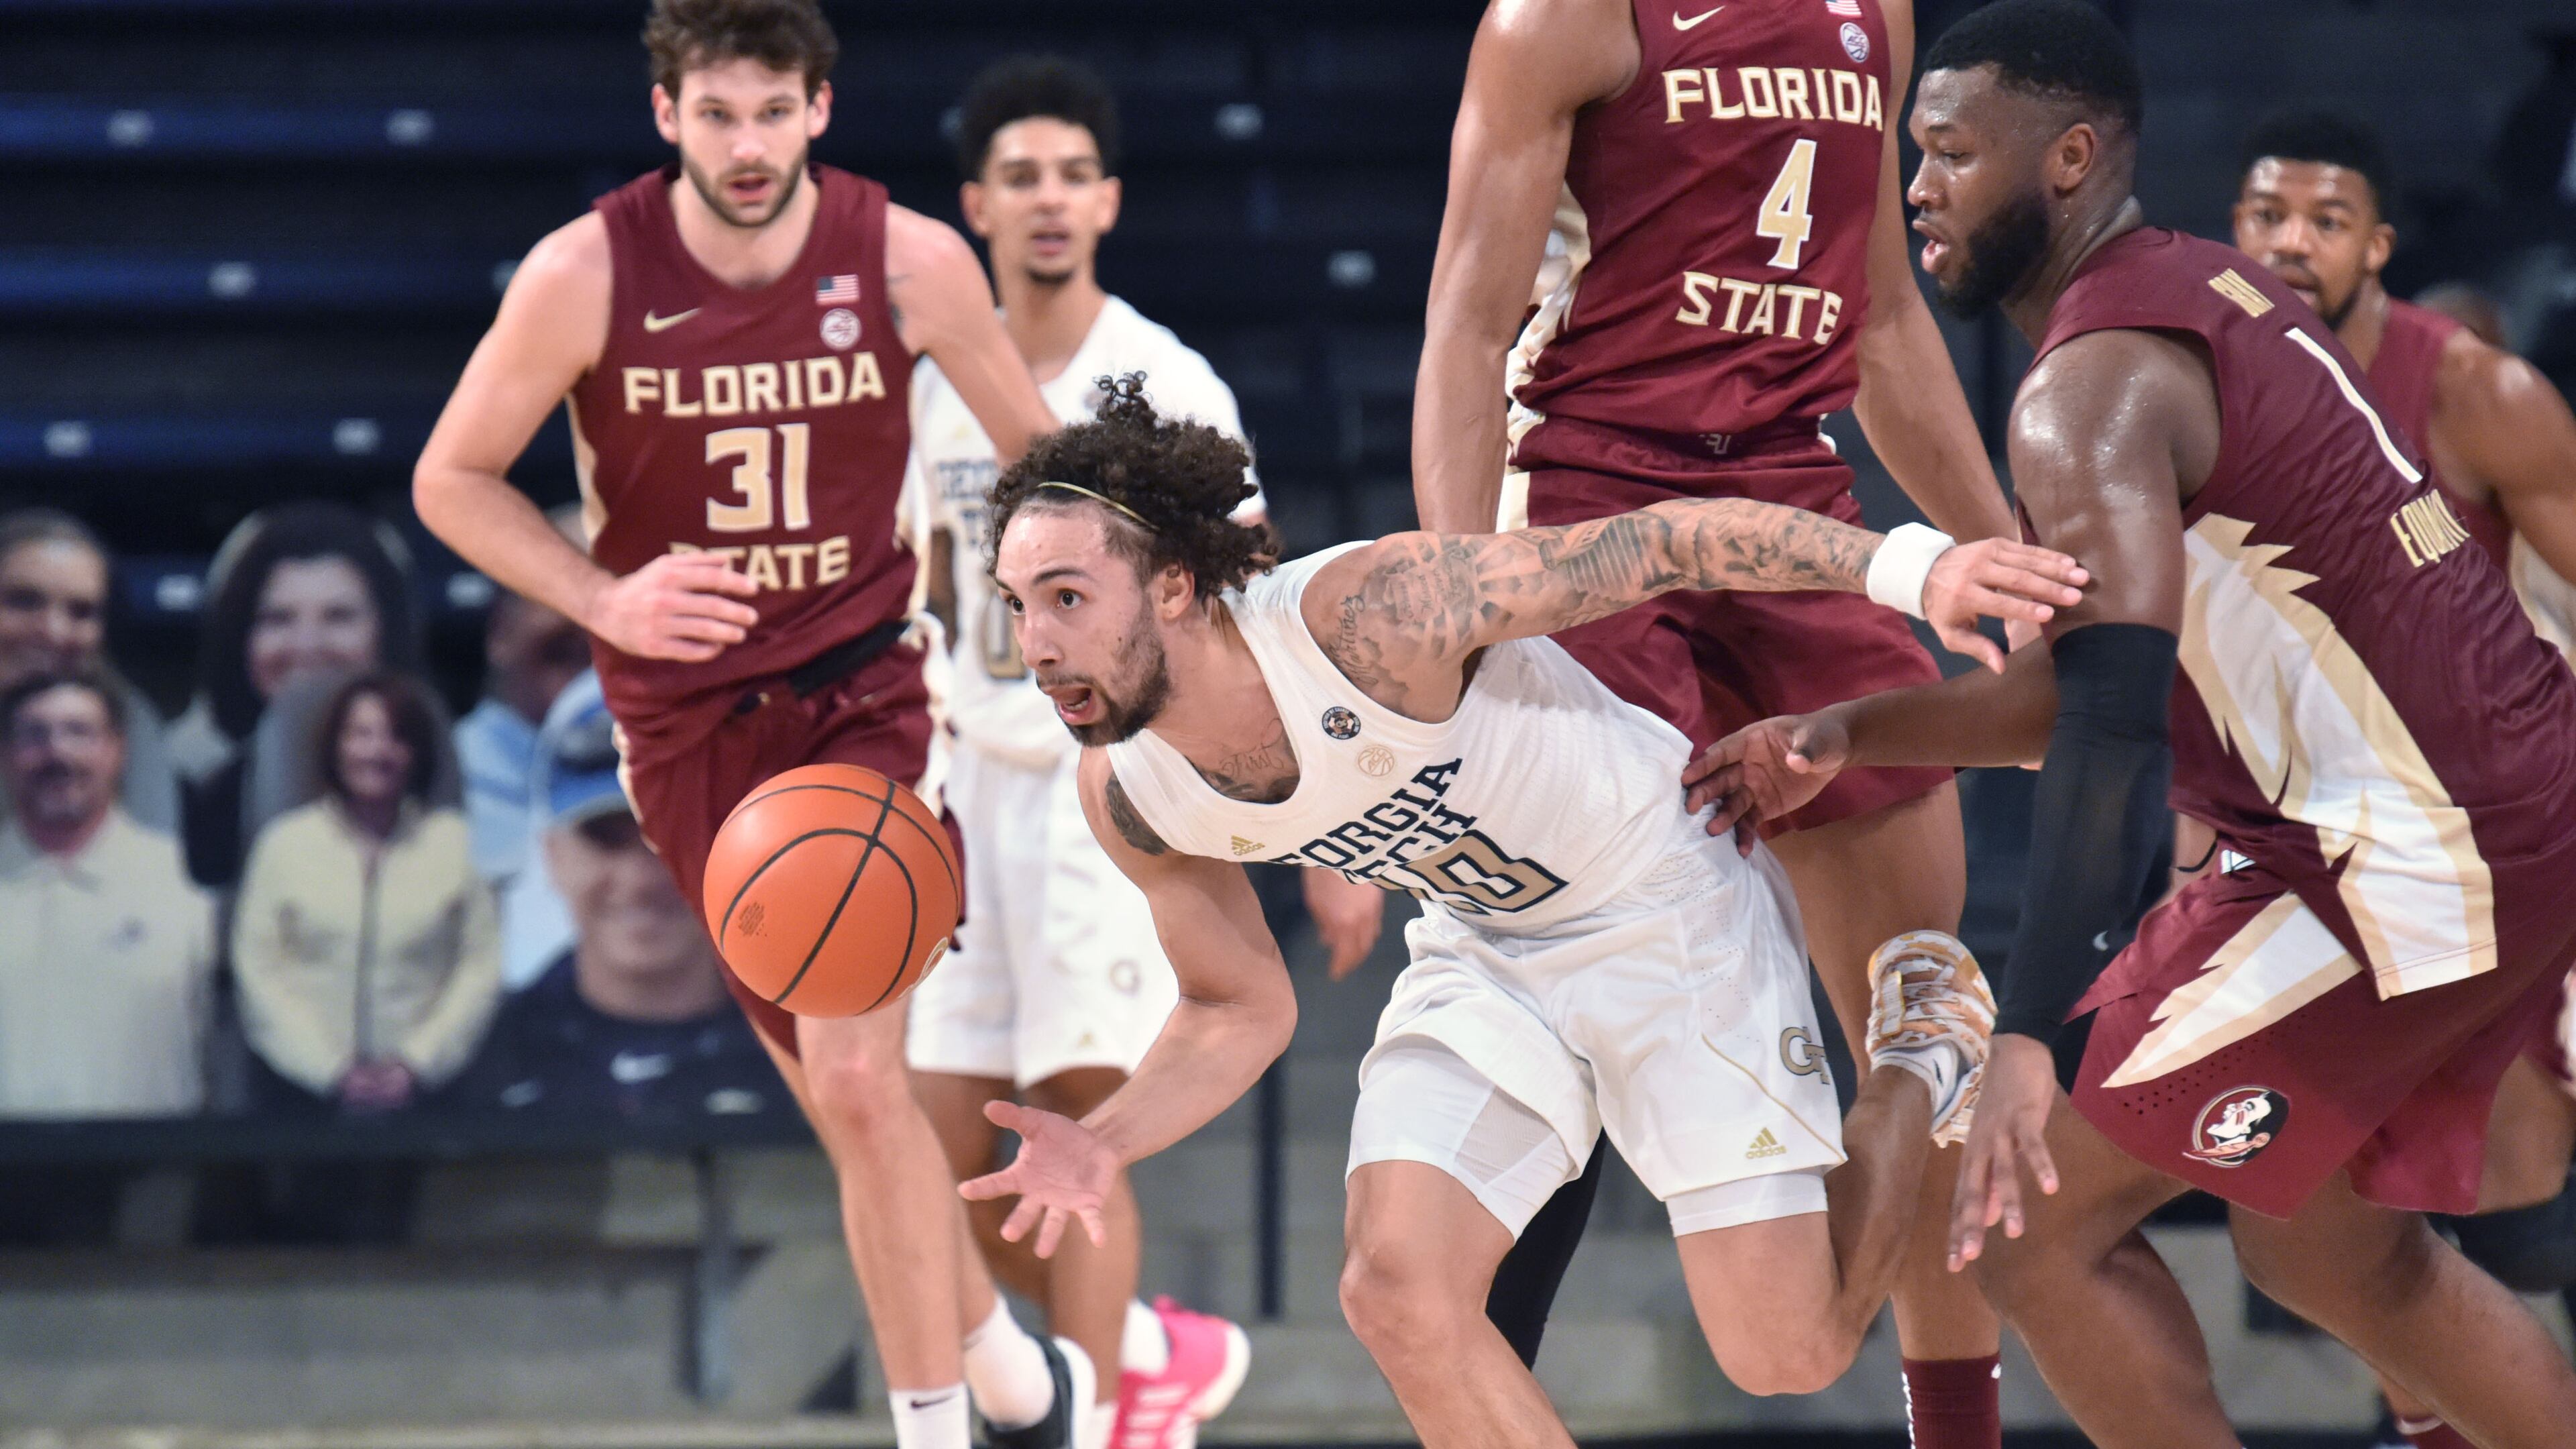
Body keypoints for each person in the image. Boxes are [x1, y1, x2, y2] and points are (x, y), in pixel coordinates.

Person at [1685, 5, 2576, 1445]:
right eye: (1915, 153)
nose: (1917, 189)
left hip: (2416, 849)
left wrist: (2031, 1033)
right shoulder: (2210, 290)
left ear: (2072, 158)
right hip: (2474, 806)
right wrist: (1854, 729)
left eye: (1956, 153)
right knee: (2324, 1245)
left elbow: (2109, 732)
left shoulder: (2088, 393)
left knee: (2022, 1213)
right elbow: (2102, 678)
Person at [953, 378, 2088, 1445]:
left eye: (1065, 599)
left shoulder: (1369, 618)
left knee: (1787, 1353)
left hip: (1659, 902)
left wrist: (1914, 568)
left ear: (1171, 587)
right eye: (1017, 606)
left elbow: (1665, 543)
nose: (1036, 644)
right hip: (1487, 951)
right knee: (1395, 1288)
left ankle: (1919, 1043)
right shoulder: (1133, 793)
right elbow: (1234, 1005)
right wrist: (1103, 1141)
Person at [411, 4, 1087, 1446]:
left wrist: (1152, 567)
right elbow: (451, 479)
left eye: (772, 112)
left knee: (854, 1077)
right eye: (716, 114)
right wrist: (606, 598)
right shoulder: (582, 273)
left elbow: (1046, 458)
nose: (747, 145)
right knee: (855, 1109)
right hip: (686, 728)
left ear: (820, 111)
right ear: (666, 116)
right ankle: (1021, 1376)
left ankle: (937, 1427)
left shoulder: (909, 257)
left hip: (865, 693)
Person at [1409, 1, 2022, 1432]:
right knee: (1555, 994)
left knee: (1922, 993)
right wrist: (1457, 592)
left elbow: (1878, 320)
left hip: (1788, 504)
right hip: (1581, 494)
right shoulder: (1560, 22)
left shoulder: (1871, 12)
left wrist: (1996, 557)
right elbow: (1466, 318)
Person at [902, 56, 1364, 1448]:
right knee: (935, 1167)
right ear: (976, 205)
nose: (1047, 200)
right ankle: (1153, 1349)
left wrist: (1331, 835)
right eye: (1019, 177)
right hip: (957, 783)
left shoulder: (1163, 380)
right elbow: (914, 581)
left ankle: (1092, 1420)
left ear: (1106, 200)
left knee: (1075, 1122)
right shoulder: (925, 376)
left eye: (1071, 175)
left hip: (1104, 785)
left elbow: (1255, 601)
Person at [2229, 109, 2576, 1449]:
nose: (2292, 241)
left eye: (2325, 219)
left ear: (2376, 243)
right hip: (2309, 844)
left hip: (2501, 848)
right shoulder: (2190, 389)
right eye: (2268, 215)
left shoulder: (2477, 393)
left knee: (2513, 1205)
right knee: (2338, 1210)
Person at [440, 687, 792, 1124]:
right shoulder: (472, 1065)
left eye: (672, 839)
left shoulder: (811, 1060)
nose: (641, 880)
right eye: (604, 837)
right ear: (552, 855)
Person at [232, 671, 499, 1115]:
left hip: (426, 1099)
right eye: (361, 734)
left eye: (396, 737)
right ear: (335, 746)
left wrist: (415, 1064)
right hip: (299, 1099)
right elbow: (258, 970)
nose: (378, 752)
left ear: (416, 752)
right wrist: (330, 1069)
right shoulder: (284, 844)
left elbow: (480, 967)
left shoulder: (458, 844)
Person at [170, 502, 420, 888]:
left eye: (339, 617)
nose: (307, 645)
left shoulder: (439, 785)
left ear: (386, 634)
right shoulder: (200, 806)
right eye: (278, 619)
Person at [0, 668, 213, 1120]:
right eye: (34, 735)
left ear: (118, 751)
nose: (56, 752)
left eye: (79, 733)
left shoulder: (184, 882)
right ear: (6, 755)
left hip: (155, 1173)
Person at [0, 511, 177, 832]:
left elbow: (153, 864)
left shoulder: (130, 720)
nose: (54, 632)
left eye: (81, 612)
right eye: (25, 601)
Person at [456, 506, 594, 893]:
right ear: (500, 629)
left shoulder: (687, 785)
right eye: (564, 583)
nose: (594, 614)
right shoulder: (427, 777)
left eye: (620, 587)